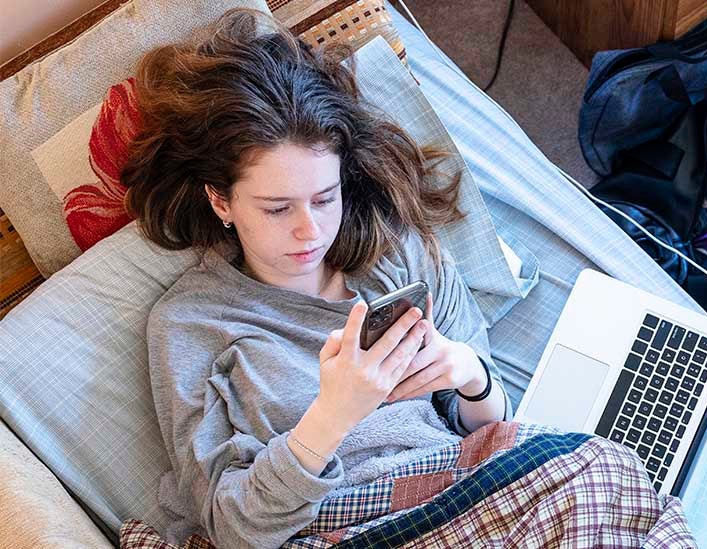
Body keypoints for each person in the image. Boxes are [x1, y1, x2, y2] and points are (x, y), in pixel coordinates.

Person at [121, 10, 511, 548]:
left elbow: (491, 431)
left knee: (601, 472)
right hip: (344, 528)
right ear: (221, 201)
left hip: (469, 494)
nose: (310, 230)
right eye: (277, 208)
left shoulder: (397, 255)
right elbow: (231, 527)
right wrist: (333, 414)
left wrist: (472, 375)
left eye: (325, 198)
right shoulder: (191, 323)